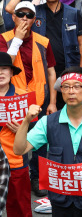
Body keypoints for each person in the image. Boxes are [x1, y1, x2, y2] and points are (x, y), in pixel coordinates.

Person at [13, 67, 82, 217]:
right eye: (66, 87)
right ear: (61, 90)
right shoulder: (48, 123)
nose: (71, 91)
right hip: (61, 202)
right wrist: (26, 121)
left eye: (77, 86)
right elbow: (19, 150)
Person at [0, 1, 57, 196]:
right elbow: (3, 65)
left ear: (34, 20)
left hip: (38, 102)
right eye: (20, 14)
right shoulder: (4, 38)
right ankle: (8, 177)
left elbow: (51, 72)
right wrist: (16, 39)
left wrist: (52, 102)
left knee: (40, 143)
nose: (24, 18)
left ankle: (38, 179)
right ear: (13, 17)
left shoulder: (43, 41)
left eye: (29, 15)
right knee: (12, 143)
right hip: (12, 103)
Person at [0, 51, 31, 217]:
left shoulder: (23, 96)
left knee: (20, 206)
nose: (0, 73)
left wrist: (22, 128)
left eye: (4, 69)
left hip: (15, 160)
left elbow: (35, 131)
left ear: (11, 72)